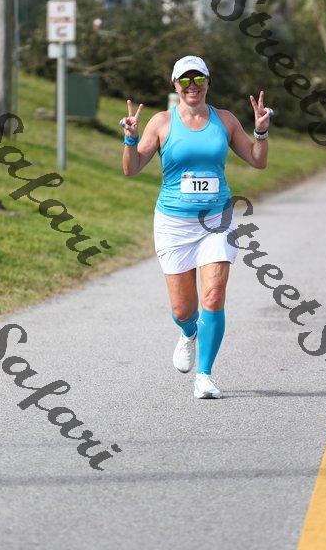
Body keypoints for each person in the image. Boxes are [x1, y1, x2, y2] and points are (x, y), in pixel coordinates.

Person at [121, 55, 270, 399]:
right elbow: (132, 168)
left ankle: (204, 375)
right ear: (175, 85)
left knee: (213, 296)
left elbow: (258, 160)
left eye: (199, 79)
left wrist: (261, 132)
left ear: (208, 83)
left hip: (217, 220)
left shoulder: (225, 120)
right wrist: (130, 139)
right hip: (174, 224)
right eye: (185, 80)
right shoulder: (161, 122)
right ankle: (189, 332)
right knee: (183, 309)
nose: (193, 86)